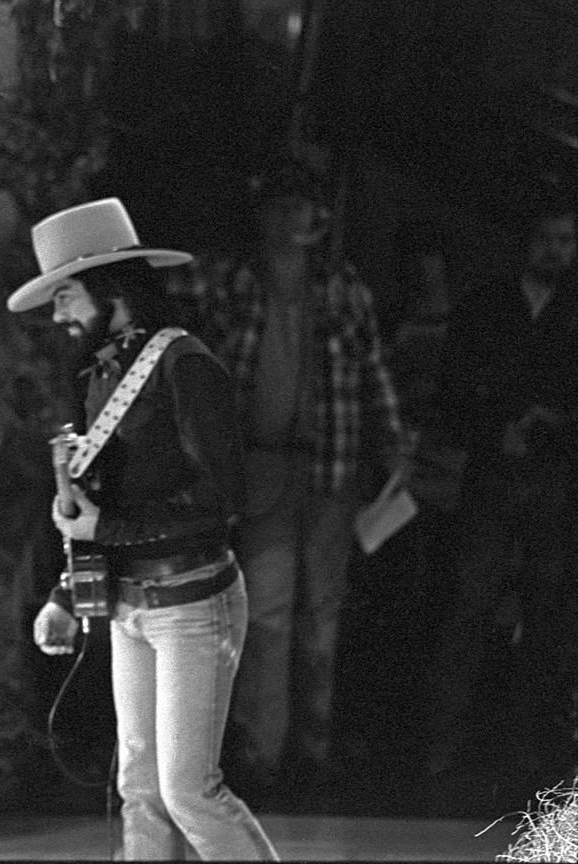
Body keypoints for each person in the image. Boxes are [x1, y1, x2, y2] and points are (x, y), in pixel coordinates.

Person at [12, 198, 278, 860]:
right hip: (130, 604)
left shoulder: (184, 364)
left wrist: (111, 524)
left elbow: (225, 500)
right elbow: (100, 508)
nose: (60, 314)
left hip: (192, 602)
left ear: (112, 288)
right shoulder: (106, 372)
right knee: (140, 788)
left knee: (190, 790)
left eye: (67, 295)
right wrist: (67, 597)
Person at [171, 156, 413, 806]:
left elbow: (373, 372)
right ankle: (263, 756)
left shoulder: (342, 290)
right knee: (270, 614)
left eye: (299, 207)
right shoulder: (234, 282)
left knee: (320, 617)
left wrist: (394, 450)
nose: (288, 218)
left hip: (327, 469)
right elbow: (170, 288)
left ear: (318, 218)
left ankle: (311, 748)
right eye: (278, 206)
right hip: (262, 468)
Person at [424, 181, 578, 804]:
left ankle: (526, 750)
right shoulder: (487, 305)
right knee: (470, 606)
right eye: (547, 239)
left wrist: (556, 421)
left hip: (557, 475)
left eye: (566, 241)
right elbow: (453, 392)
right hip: (494, 471)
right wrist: (498, 429)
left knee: (545, 612)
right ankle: (447, 746)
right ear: (524, 244)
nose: (557, 251)